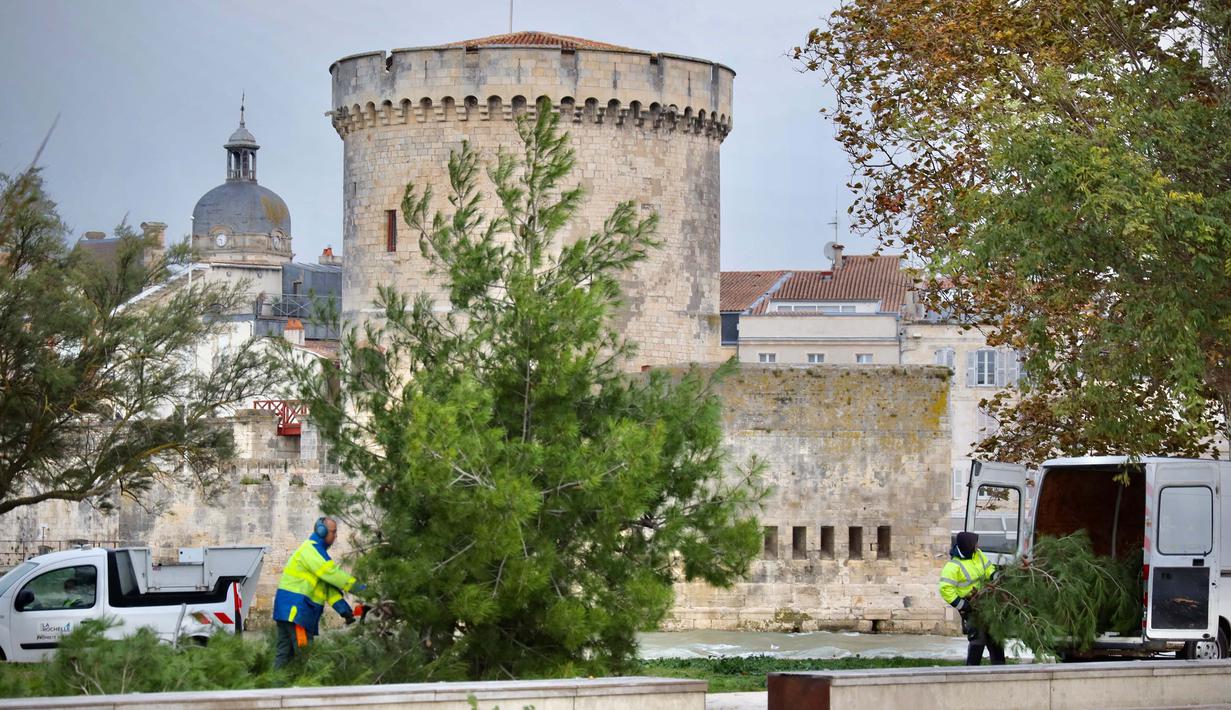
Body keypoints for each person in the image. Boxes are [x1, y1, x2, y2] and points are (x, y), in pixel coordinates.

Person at [272, 516, 365, 668]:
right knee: (307, 658)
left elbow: (327, 588)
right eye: (333, 532)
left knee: (283, 657)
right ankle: (306, 690)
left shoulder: (315, 553)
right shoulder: (311, 550)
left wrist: (345, 611)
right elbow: (332, 574)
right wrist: (360, 589)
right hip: (297, 613)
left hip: (287, 611)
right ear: (322, 532)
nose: (335, 536)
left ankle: (276, 689)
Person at [939, 531, 1005, 666]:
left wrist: (996, 576)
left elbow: (989, 569)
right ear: (969, 546)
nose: (978, 545)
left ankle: (1000, 671)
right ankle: (971, 672)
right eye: (975, 543)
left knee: (995, 638)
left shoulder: (978, 554)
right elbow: (945, 589)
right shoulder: (953, 567)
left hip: (986, 602)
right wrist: (963, 605)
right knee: (977, 641)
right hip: (970, 606)